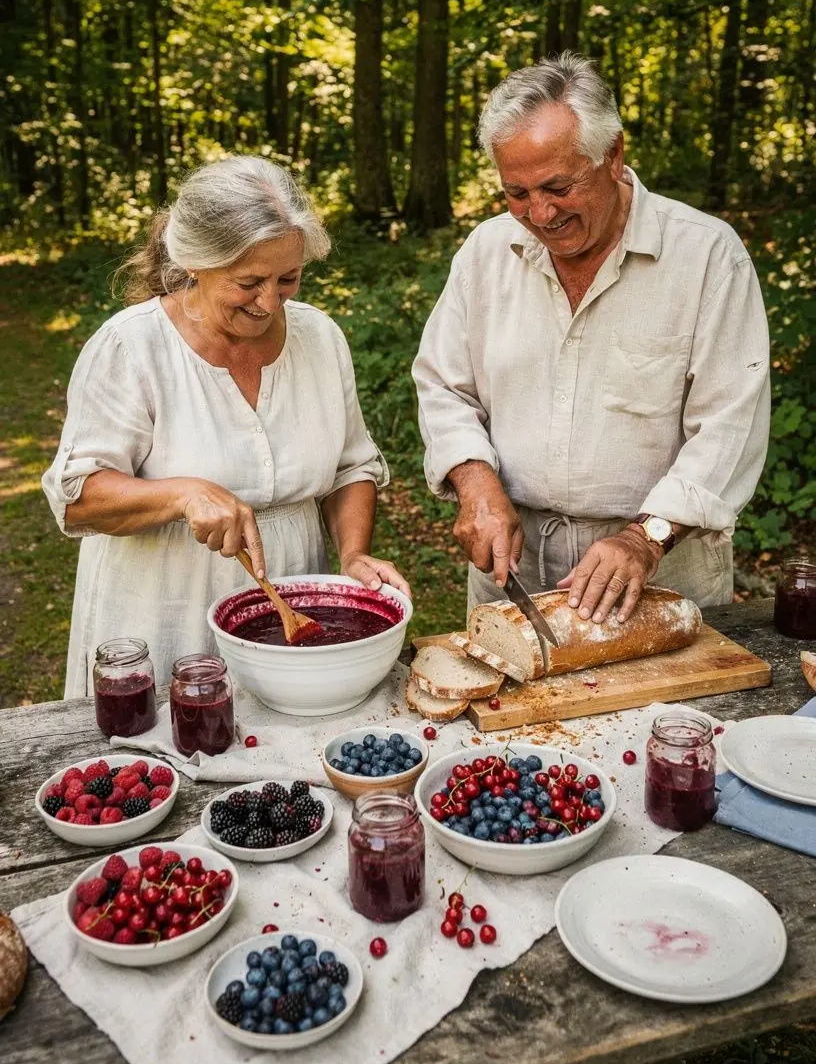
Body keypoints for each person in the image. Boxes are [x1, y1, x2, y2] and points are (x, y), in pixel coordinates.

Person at [412, 52, 770, 623]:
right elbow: (442, 385)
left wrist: (644, 539)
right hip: (515, 566)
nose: (540, 212)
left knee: (661, 714)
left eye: (558, 186)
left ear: (613, 155)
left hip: (660, 571)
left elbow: (731, 425)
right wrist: (474, 479)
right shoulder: (486, 251)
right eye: (517, 192)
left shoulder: (706, 256)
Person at [43, 156, 409, 698]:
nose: (269, 302)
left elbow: (350, 466)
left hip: (287, 603)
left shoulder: (320, 338)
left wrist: (353, 553)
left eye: (288, 277)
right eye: (248, 282)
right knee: (169, 761)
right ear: (195, 262)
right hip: (162, 610)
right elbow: (77, 498)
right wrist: (183, 494)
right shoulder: (132, 347)